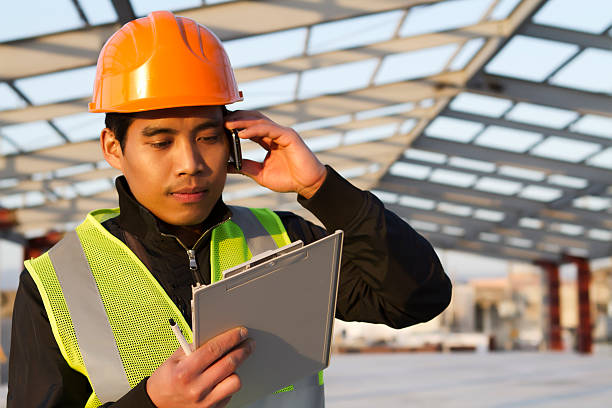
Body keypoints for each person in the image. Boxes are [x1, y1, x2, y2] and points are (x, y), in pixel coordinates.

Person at [8, 10, 451, 408]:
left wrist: (321, 188)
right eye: (161, 142)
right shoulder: (56, 282)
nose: (191, 165)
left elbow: (417, 298)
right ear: (113, 147)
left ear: (233, 138)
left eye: (208, 137)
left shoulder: (286, 241)